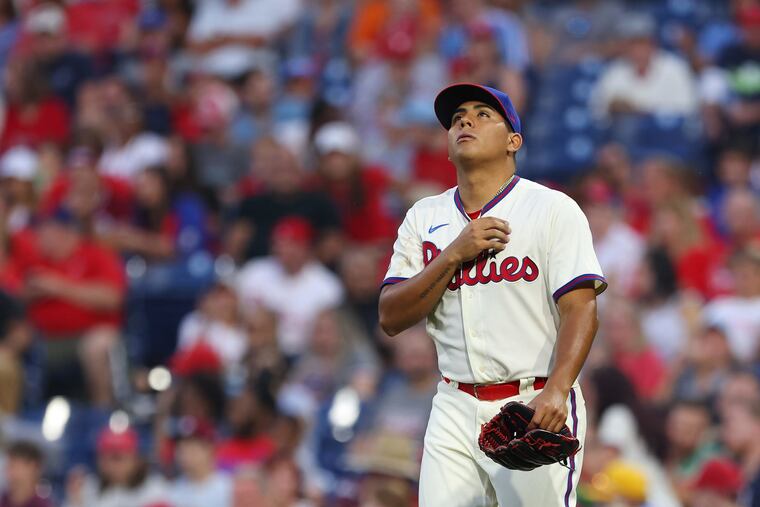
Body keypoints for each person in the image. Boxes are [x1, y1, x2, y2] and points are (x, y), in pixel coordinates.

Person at [378, 83, 607, 506]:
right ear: (447, 147)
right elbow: (391, 317)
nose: (465, 120)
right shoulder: (424, 216)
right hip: (452, 402)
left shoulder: (551, 208)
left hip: (530, 401)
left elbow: (580, 307)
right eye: (457, 117)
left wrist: (558, 389)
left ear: (513, 141)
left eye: (483, 114)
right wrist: (453, 255)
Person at [0, 440, 52, 507]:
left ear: (32, 467)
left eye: (13, 466)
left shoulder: (41, 505)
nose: (7, 471)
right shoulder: (4, 499)